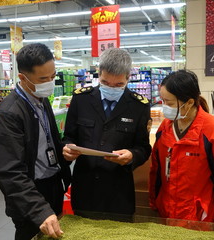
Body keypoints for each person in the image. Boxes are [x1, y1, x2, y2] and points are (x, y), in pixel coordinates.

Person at [0, 43, 71, 240]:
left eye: (53, 76)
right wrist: (39, 210)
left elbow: (45, 141)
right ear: (22, 78)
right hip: (29, 194)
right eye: (43, 79)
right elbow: (10, 172)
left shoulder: (41, 100)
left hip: (52, 184)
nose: (50, 83)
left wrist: (64, 151)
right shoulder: (8, 115)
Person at [62, 48, 152, 217]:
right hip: (85, 188)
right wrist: (66, 148)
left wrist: (132, 156)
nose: (111, 88)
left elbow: (143, 148)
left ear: (128, 77)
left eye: (118, 84)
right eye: (105, 82)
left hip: (118, 190)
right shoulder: (81, 100)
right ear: (99, 73)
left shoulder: (138, 106)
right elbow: (68, 136)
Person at [149, 70, 214, 224]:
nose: (164, 107)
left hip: (201, 219)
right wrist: (154, 202)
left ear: (189, 103)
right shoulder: (165, 128)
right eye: (162, 101)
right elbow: (156, 169)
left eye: (170, 103)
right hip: (167, 213)